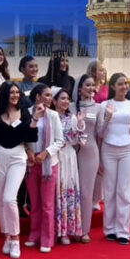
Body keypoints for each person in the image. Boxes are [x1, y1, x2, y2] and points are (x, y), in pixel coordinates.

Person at [0, 81, 41, 258]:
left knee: (9, 198)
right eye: (11, 92)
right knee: (1, 200)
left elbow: (30, 137)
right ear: (5, 94)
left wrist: (34, 121)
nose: (15, 95)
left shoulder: (25, 112)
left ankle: (16, 239)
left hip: (18, 157)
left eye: (17, 92)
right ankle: (7, 237)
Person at [98, 72, 130, 244]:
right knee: (110, 190)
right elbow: (100, 132)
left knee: (124, 191)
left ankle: (123, 230)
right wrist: (108, 118)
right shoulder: (104, 105)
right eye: (120, 84)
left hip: (128, 149)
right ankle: (110, 229)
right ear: (113, 86)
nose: (124, 87)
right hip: (108, 148)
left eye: (126, 83)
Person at [25, 84, 63, 253]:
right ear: (37, 97)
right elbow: (24, 136)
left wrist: (46, 153)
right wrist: (29, 151)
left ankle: (47, 238)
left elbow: (60, 140)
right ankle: (34, 235)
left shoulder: (54, 115)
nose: (49, 98)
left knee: (47, 204)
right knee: (35, 203)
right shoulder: (27, 113)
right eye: (46, 95)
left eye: (50, 95)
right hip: (31, 162)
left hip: (48, 163)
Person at [53, 87, 87, 244]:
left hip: (68, 155)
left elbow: (81, 140)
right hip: (54, 156)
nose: (66, 101)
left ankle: (68, 230)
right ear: (54, 101)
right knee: (55, 192)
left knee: (68, 190)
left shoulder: (72, 118)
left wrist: (80, 125)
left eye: (67, 98)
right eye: (62, 98)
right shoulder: (49, 117)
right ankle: (56, 230)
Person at [74, 75, 104, 239]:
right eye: (87, 85)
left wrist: (108, 119)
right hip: (71, 152)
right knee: (71, 190)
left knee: (86, 192)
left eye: (93, 85)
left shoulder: (98, 108)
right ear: (79, 88)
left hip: (90, 152)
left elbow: (100, 133)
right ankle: (70, 227)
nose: (91, 88)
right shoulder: (71, 106)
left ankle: (84, 230)